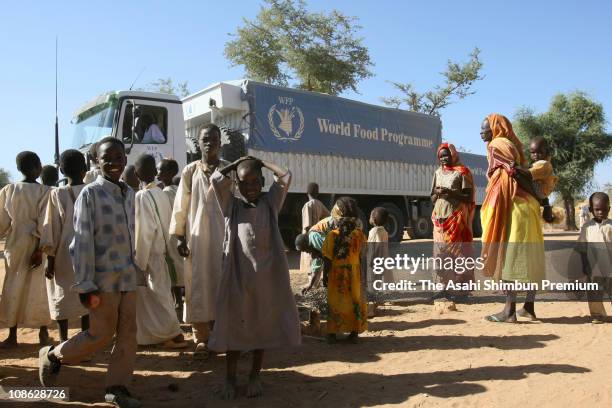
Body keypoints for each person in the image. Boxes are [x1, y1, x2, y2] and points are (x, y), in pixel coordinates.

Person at [38, 137, 142, 408]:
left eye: (118, 157)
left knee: (128, 334)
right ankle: (54, 354)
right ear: (96, 161)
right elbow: (81, 241)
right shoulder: (91, 193)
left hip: (127, 278)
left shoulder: (130, 194)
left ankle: (117, 387)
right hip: (102, 280)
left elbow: (131, 235)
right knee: (100, 335)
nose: (114, 163)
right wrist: (85, 284)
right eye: (106, 158)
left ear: (125, 159)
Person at [208, 156, 300, 400]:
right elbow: (216, 179)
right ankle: (229, 377)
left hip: (266, 279)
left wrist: (262, 162)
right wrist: (237, 162)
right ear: (236, 185)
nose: (250, 187)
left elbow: (285, 176)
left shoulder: (270, 203)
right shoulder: (232, 206)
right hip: (238, 276)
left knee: (261, 327)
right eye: (244, 183)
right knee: (234, 328)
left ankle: (254, 376)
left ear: (261, 182)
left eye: (255, 181)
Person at [480, 114, 545, 323]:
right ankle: (529, 308)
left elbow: (514, 173)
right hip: (529, 207)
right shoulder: (510, 144)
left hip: (516, 207)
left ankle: (509, 311)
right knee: (529, 257)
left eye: (485, 129)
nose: (482, 133)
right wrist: (541, 200)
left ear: (495, 129)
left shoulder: (497, 145)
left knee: (508, 256)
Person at [170, 124, 228, 356]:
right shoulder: (190, 171)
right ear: (198, 142)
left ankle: (221, 334)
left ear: (219, 143)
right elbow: (180, 207)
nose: (209, 143)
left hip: (224, 239)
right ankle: (201, 338)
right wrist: (178, 237)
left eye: (214, 139)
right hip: (196, 240)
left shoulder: (228, 170)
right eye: (205, 139)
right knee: (197, 286)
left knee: (222, 285)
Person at [133, 154, 187, 348]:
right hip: (162, 252)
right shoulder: (160, 193)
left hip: (151, 255)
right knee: (159, 295)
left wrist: (139, 261)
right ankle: (154, 335)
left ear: (136, 173)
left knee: (158, 296)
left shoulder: (142, 195)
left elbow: (144, 232)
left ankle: (174, 334)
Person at [0, 151, 51, 347]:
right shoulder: (47, 191)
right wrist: (40, 249)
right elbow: (46, 223)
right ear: (38, 168)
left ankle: (12, 335)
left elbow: (2, 223)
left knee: (14, 285)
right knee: (39, 287)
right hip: (40, 243)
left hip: (16, 243)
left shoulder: (9, 190)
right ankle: (43, 333)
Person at [39, 150, 90, 343]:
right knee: (86, 293)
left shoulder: (57, 194)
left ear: (61, 170)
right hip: (88, 252)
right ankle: (85, 338)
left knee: (61, 294)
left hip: (63, 255)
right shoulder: (92, 190)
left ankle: (63, 340)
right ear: (85, 169)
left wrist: (50, 260)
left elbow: (51, 228)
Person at [430, 143, 476, 301]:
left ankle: (461, 292)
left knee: (458, 255)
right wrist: (437, 193)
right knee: (441, 256)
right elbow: (431, 198)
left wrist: (450, 192)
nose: (444, 158)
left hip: (456, 220)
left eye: (447, 155)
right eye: (441, 156)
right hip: (439, 222)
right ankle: (444, 288)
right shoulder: (437, 173)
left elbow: (468, 198)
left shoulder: (462, 172)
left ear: (453, 155)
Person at [321, 197, 368, 344]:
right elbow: (362, 255)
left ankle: (333, 334)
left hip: (337, 275)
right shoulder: (359, 234)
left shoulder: (332, 235)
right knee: (354, 300)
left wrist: (325, 276)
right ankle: (354, 333)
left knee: (336, 302)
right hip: (354, 274)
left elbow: (327, 259)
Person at [577, 192, 611, 324]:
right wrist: (584, 265)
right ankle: (597, 315)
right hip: (594, 268)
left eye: (604, 209)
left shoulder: (610, 226)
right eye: (597, 209)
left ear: (609, 209)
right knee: (594, 293)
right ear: (591, 210)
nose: (601, 212)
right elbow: (582, 248)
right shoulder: (587, 227)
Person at [157, 158, 184, 321]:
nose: (157, 173)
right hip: (179, 233)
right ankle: (180, 302)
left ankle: (178, 302)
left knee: (173, 268)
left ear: (168, 173)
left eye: (160, 170)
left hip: (170, 235)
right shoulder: (178, 190)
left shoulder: (165, 193)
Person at [514, 136, 557, 223]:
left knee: (518, 176)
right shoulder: (539, 163)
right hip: (542, 190)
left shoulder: (543, 164)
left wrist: (516, 168)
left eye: (539, 152)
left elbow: (529, 174)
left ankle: (536, 197)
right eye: (533, 152)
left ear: (546, 152)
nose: (535, 155)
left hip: (540, 191)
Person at [300, 182, 330, 277]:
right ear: (317, 193)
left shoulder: (307, 205)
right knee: (317, 258)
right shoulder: (319, 204)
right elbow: (328, 216)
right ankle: (316, 277)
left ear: (307, 193)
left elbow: (307, 225)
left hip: (309, 237)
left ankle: (311, 279)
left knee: (310, 258)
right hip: (318, 234)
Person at [367, 207, 390, 316]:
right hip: (382, 261)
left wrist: (370, 260)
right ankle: (375, 303)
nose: (369, 218)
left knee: (371, 283)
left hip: (374, 262)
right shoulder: (384, 231)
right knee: (377, 283)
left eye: (370, 216)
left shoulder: (374, 231)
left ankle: (370, 310)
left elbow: (373, 248)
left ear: (374, 220)